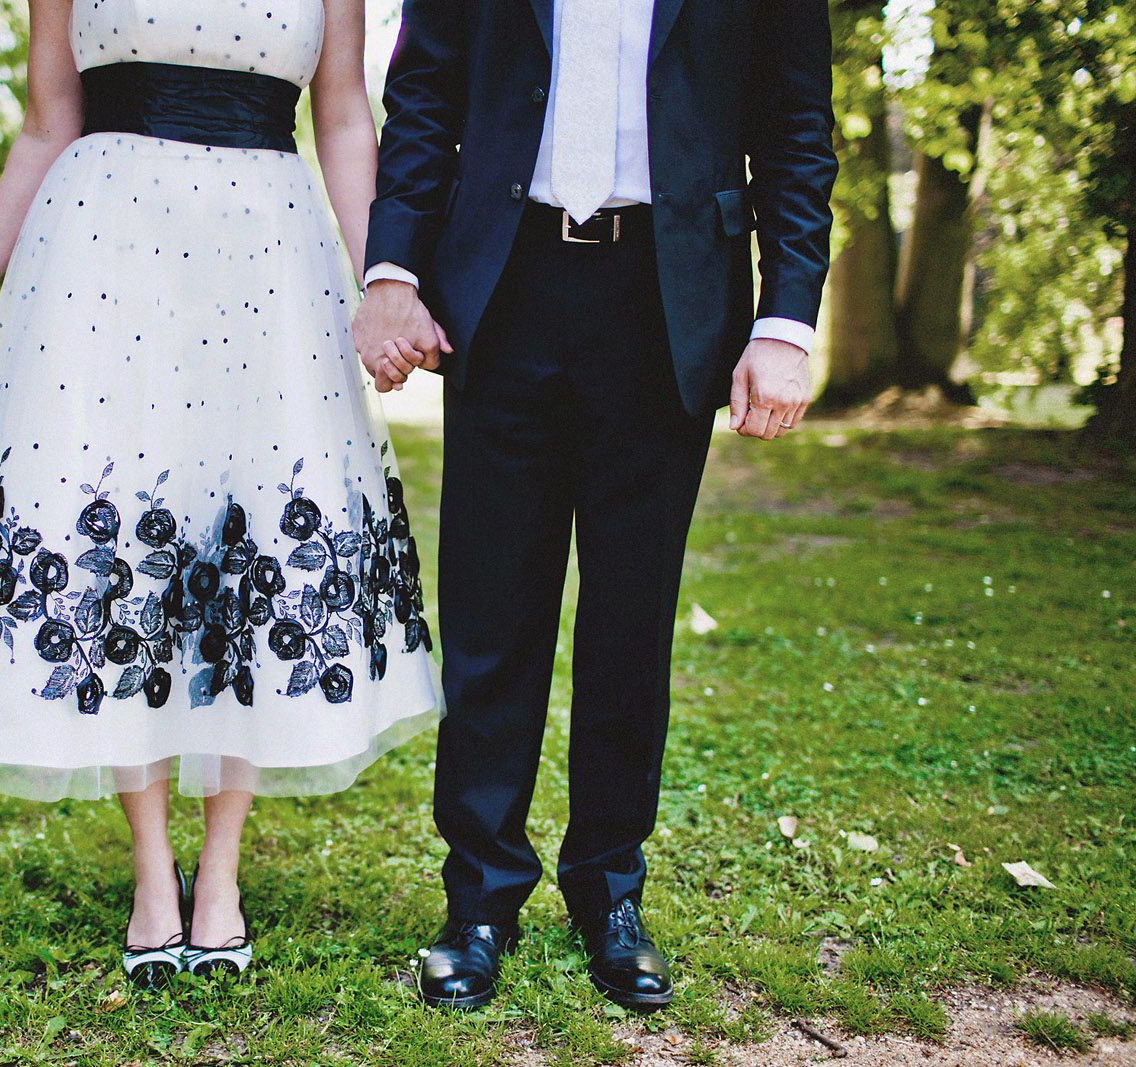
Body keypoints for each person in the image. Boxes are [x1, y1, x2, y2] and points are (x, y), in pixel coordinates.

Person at [0, 0, 441, 989]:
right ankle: (151, 870)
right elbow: (45, 124)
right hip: (105, 254)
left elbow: (346, 116)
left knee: (251, 542)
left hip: (268, 259)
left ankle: (219, 870)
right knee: (117, 552)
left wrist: (382, 283)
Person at [352, 0, 836, 1010]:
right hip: (504, 283)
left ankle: (609, 892)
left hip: (667, 296)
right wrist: (393, 268)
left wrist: (786, 317)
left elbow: (794, 127)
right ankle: (478, 899)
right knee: (490, 614)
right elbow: (422, 94)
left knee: (631, 617)